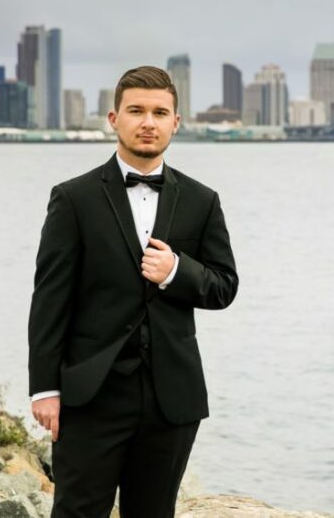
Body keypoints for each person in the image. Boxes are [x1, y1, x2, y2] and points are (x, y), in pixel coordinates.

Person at [27, 66, 238, 517]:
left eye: (160, 112)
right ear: (113, 119)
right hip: (91, 394)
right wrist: (44, 387)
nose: (148, 122)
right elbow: (49, 299)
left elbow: (224, 286)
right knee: (77, 512)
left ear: (176, 122)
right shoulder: (73, 198)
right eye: (136, 110)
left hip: (172, 397)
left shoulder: (203, 200)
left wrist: (176, 271)